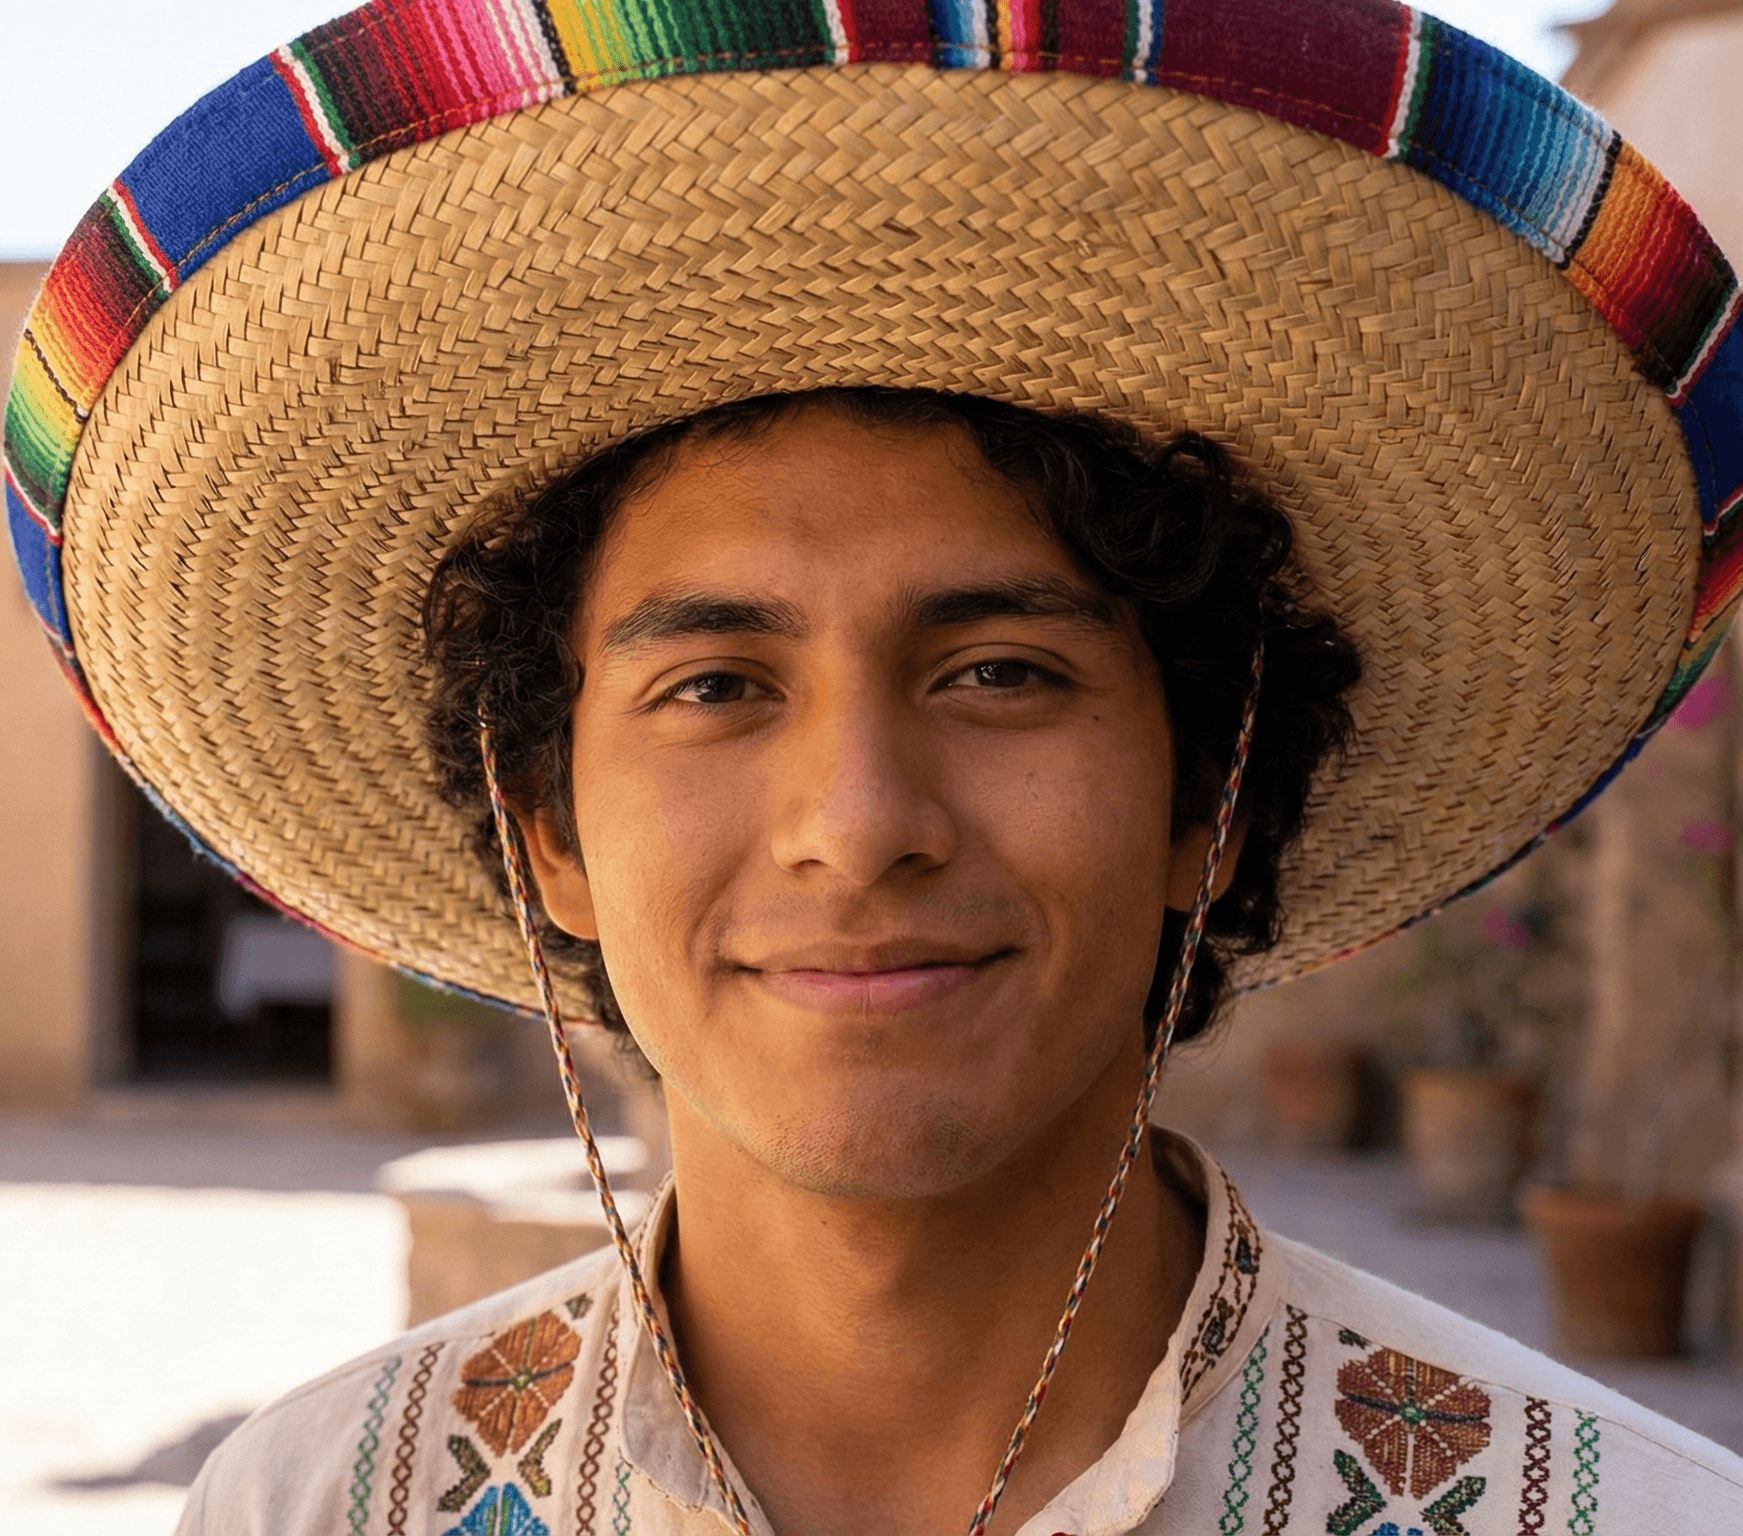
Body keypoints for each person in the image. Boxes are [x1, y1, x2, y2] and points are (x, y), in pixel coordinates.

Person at [7, 0, 1743, 1531]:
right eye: (712, 686)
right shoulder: (319, 1503)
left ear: (1206, 798)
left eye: (1000, 672)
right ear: (547, 832)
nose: (856, 825)